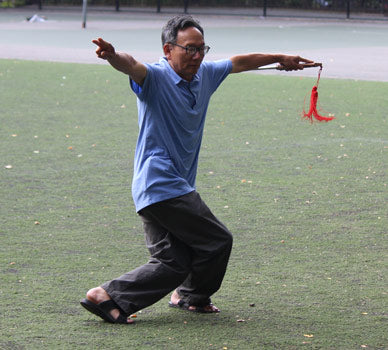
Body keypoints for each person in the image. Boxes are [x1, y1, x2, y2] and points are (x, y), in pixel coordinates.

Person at [81, 14, 315, 324]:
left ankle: (107, 296)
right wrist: (113, 56)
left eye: (201, 49)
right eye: (189, 49)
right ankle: (192, 295)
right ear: (168, 50)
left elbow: (240, 61)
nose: (197, 56)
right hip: (161, 183)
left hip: (157, 189)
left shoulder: (205, 74)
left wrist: (281, 58)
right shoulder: (155, 78)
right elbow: (131, 64)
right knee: (217, 240)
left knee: (173, 263)